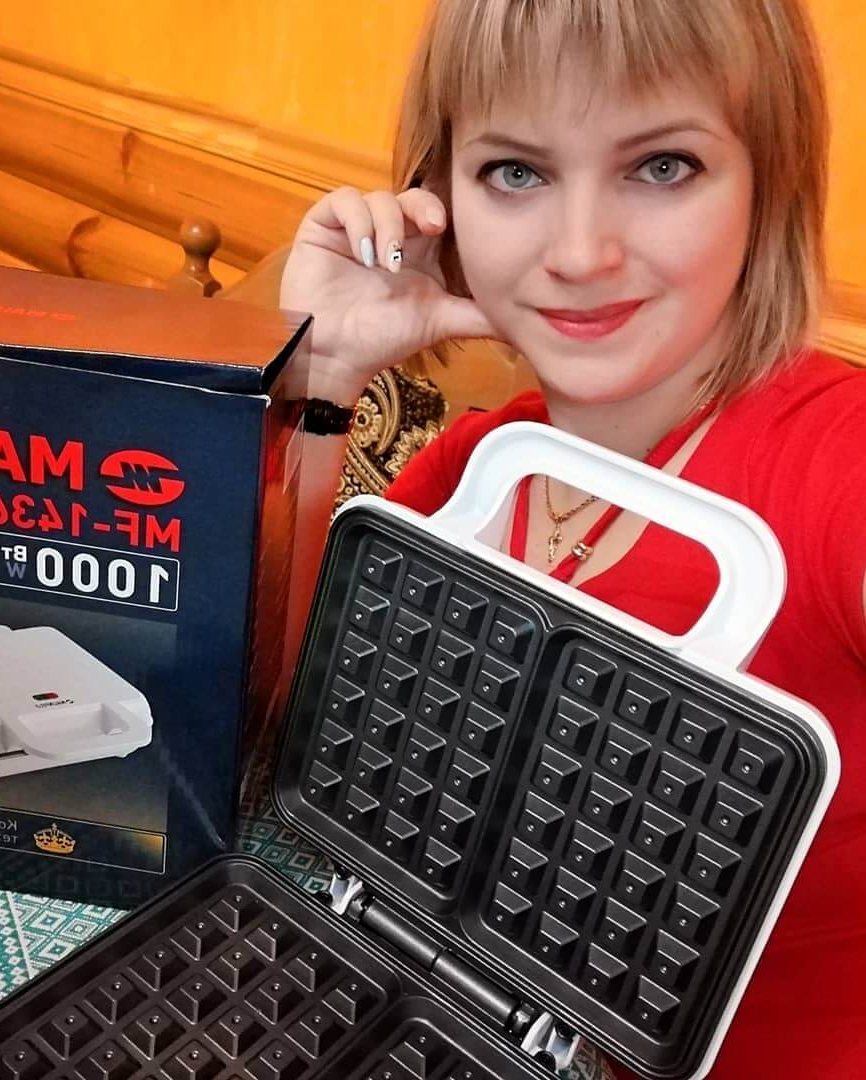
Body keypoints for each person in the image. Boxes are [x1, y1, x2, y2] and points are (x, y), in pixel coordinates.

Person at [279, 1, 866, 1077]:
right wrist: (318, 380)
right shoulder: (470, 472)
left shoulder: (835, 459)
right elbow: (258, 737)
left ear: (769, 183)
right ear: (440, 200)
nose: (582, 253)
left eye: (663, 167)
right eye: (516, 172)